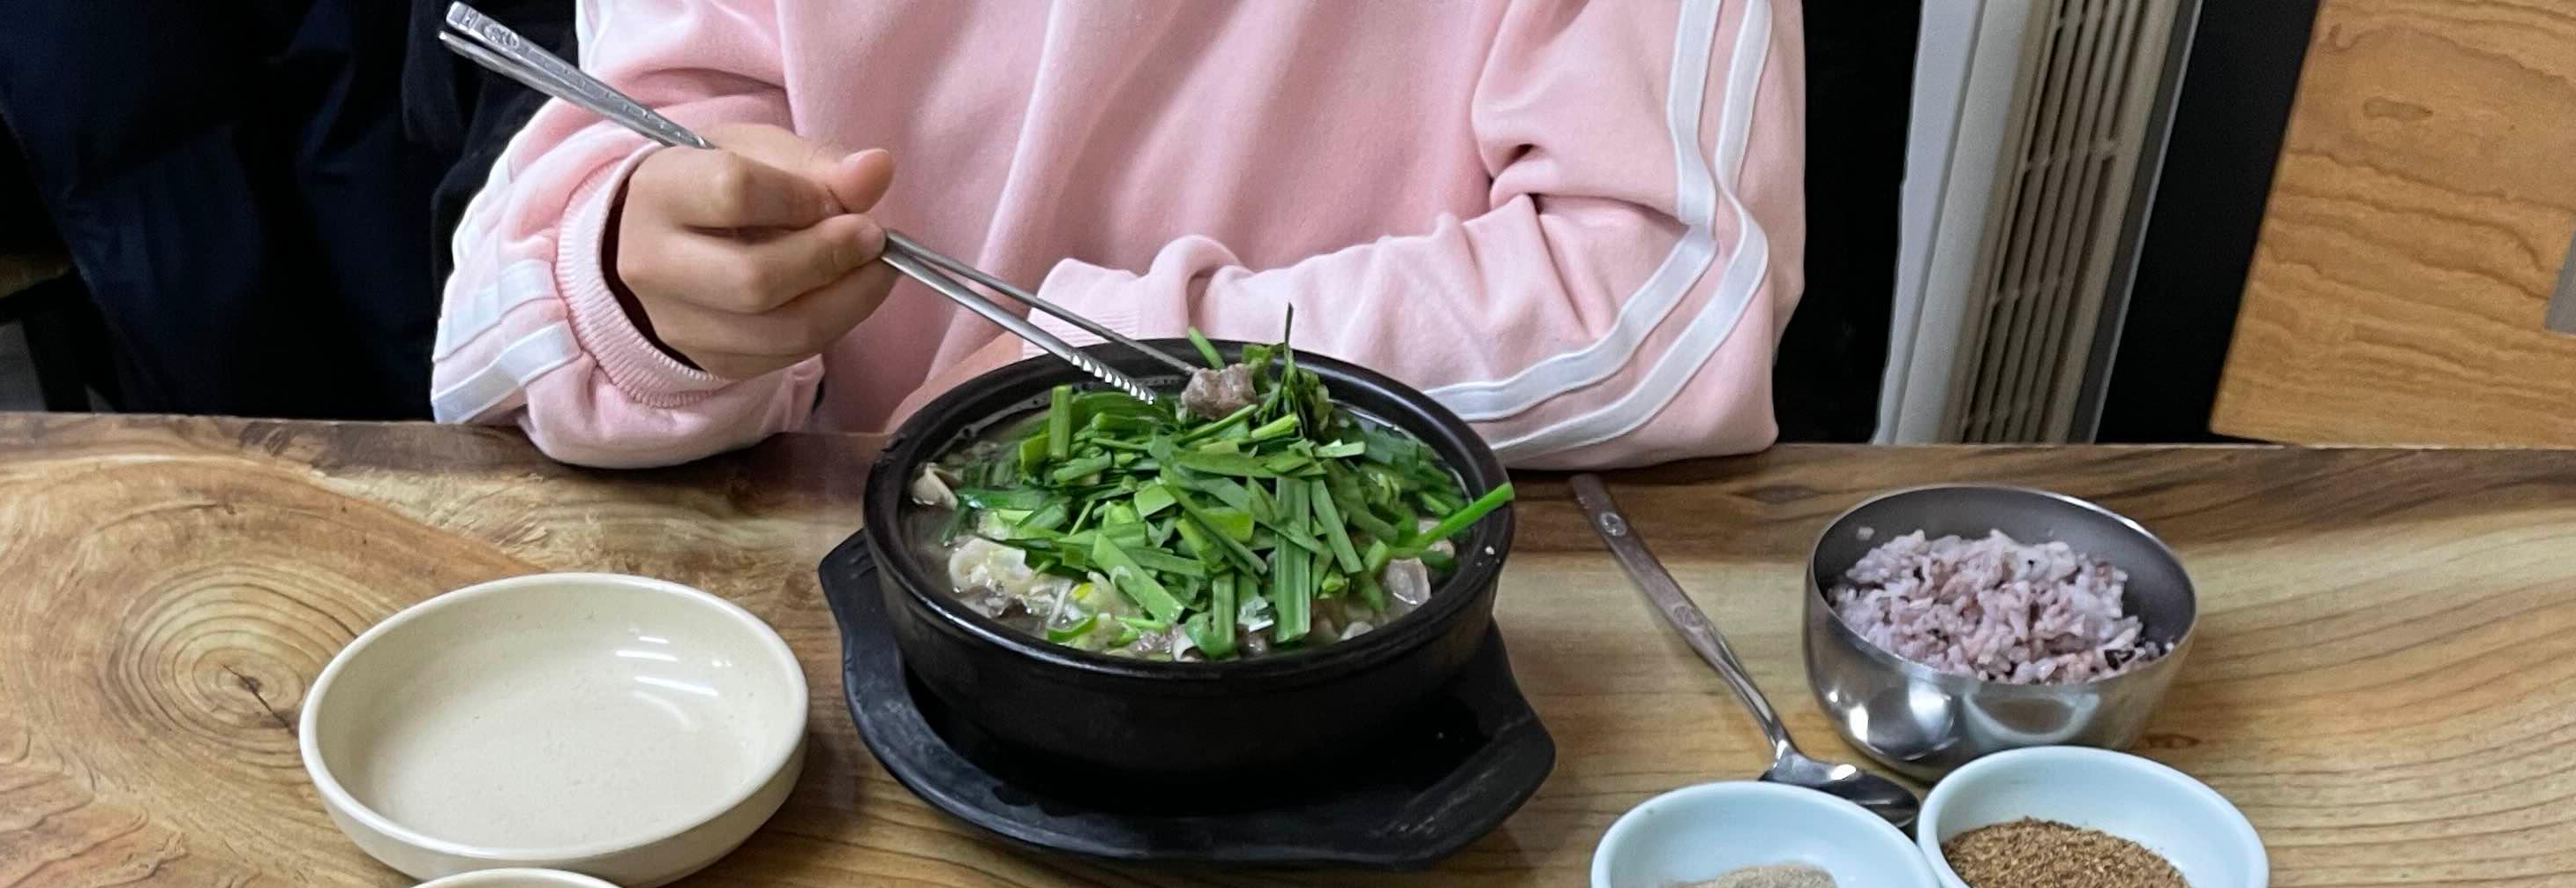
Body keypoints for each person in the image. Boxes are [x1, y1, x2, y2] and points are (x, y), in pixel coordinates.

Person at [435, 0, 1803, 470]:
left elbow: (1671, 288)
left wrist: (1131, 357)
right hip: (846, 630)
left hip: (1408, 629)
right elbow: (525, 298)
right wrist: (637, 279)